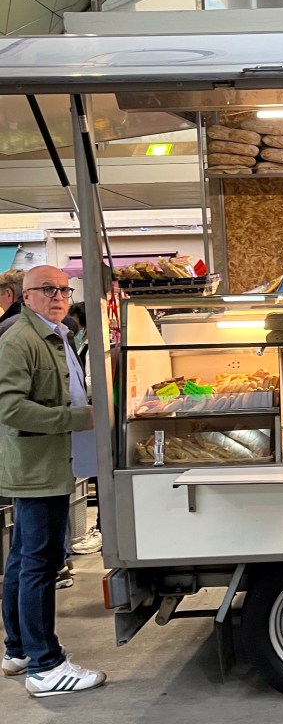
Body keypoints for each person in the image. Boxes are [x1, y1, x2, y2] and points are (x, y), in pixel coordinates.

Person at [0, 265, 106, 696]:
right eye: (48, 289)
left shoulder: (56, 335)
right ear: (26, 296)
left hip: (50, 464)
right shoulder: (20, 340)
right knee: (41, 565)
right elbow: (10, 408)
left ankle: (20, 650)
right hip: (37, 468)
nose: (58, 296)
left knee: (24, 560)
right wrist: (77, 418)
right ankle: (46, 666)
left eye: (63, 289)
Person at [66, 302, 101, 556]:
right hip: (85, 416)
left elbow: (92, 381)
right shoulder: (83, 344)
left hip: (90, 416)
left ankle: (102, 530)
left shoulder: (92, 346)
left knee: (99, 476)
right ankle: (101, 529)